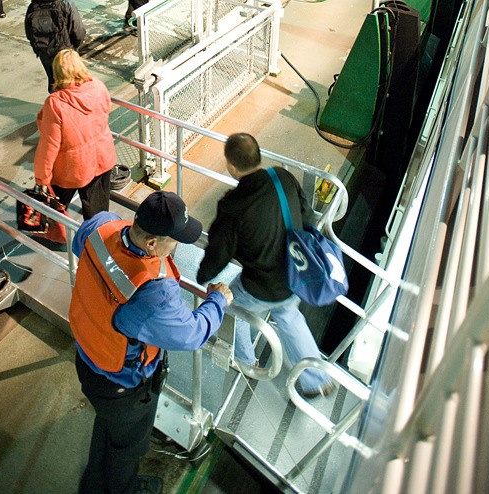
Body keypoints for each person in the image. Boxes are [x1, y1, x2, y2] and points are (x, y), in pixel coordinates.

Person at [69, 191, 233, 494]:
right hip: (123, 387)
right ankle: (124, 489)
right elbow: (192, 333)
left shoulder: (103, 225)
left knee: (108, 427)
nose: (178, 246)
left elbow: (81, 246)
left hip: (87, 358)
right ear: (152, 244)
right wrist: (217, 302)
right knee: (127, 447)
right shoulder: (152, 292)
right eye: (174, 241)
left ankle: (93, 484)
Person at [196, 133, 335, 399]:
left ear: (232, 166)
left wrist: (202, 277)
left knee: (231, 309)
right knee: (289, 316)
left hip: (259, 286)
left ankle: (247, 364)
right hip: (295, 275)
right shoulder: (283, 178)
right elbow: (306, 216)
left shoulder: (234, 204)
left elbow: (219, 252)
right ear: (258, 156)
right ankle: (316, 380)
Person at [33, 49, 116, 219]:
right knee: (97, 216)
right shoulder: (99, 86)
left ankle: (50, 237)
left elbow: (49, 146)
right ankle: (95, 242)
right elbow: (106, 110)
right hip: (102, 158)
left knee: (52, 209)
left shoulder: (56, 103)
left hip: (71, 168)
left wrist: (42, 177)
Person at [24, 0, 86, 92]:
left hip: (44, 51)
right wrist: (73, 48)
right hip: (63, 51)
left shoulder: (33, 7)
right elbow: (78, 30)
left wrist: (38, 48)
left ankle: (54, 104)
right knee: (69, 83)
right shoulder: (66, 4)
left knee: (53, 81)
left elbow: (29, 31)